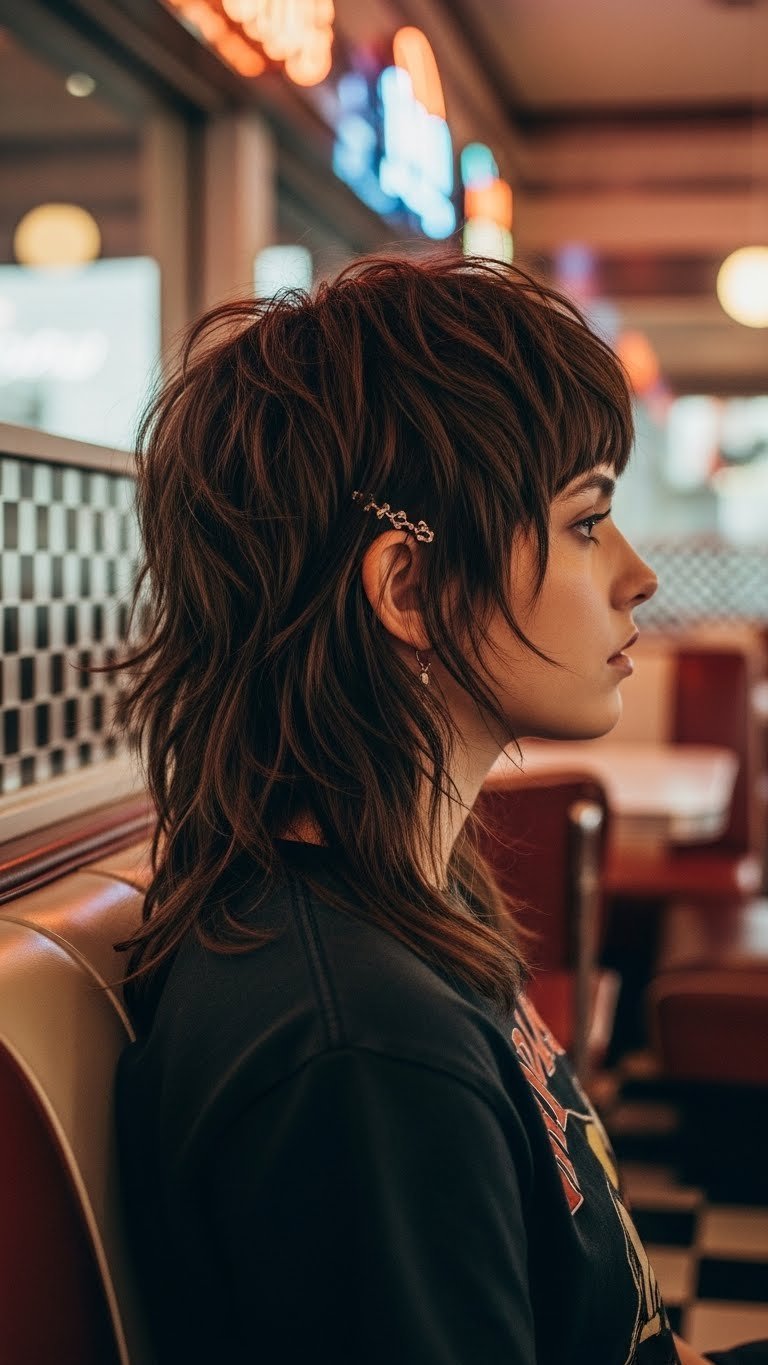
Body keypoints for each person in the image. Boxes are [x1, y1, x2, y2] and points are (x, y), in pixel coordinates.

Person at [111, 253, 758, 1364]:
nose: (639, 574)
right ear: (409, 590)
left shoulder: (409, 894)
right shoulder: (364, 1052)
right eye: (589, 521)